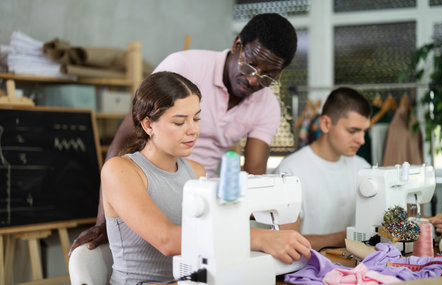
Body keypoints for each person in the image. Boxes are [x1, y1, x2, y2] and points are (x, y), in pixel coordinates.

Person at [70, 13, 298, 254]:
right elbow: (124, 140)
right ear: (237, 45)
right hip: (149, 186)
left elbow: (253, 178)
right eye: (250, 65)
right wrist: (107, 220)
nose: (254, 80)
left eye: (267, 76)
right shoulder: (184, 68)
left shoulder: (266, 108)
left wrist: (241, 224)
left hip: (201, 197)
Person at [101, 71, 311, 283]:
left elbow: (214, 232)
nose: (193, 130)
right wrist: (259, 238)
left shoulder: (196, 172)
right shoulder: (121, 170)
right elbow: (167, 241)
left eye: (196, 118)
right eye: (179, 122)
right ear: (148, 125)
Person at [274, 87, 372, 251]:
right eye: (353, 131)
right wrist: (349, 237)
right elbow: (287, 242)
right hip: (305, 272)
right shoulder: (290, 172)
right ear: (326, 124)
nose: (362, 140)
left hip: (354, 269)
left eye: (364, 131)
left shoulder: (364, 168)